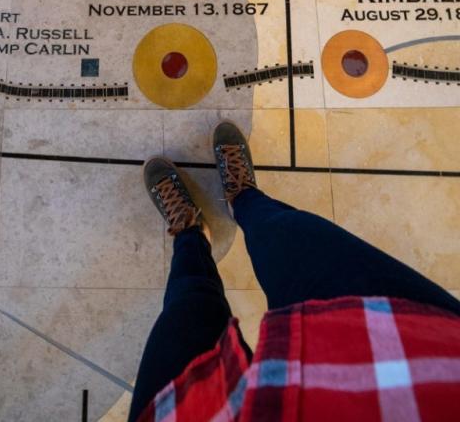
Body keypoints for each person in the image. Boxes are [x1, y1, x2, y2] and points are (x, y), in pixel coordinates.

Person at [131, 121, 460, 422]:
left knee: (189, 303)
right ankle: (244, 199)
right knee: (289, 236)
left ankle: (190, 233)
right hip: (414, 365)